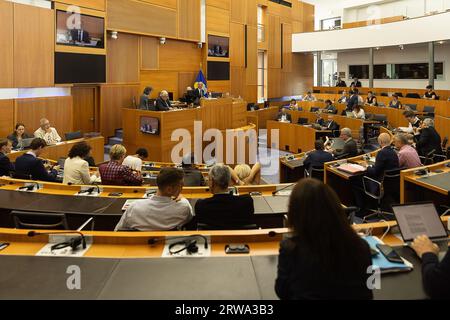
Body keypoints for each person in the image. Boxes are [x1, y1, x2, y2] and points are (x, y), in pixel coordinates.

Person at [275, 178, 373, 300]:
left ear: (295, 214)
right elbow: (371, 289)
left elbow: (282, 291)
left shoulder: (291, 250)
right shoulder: (362, 246)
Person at [115, 168, 193, 231]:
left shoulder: (134, 207)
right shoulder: (184, 207)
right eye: (181, 185)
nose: (182, 188)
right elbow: (189, 217)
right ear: (169, 189)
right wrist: (181, 197)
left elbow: (118, 230)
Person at [194, 164, 255, 228]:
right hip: (239, 238)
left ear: (212, 182)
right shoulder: (247, 203)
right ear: (229, 181)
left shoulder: (201, 206)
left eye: (208, 179)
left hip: (213, 238)